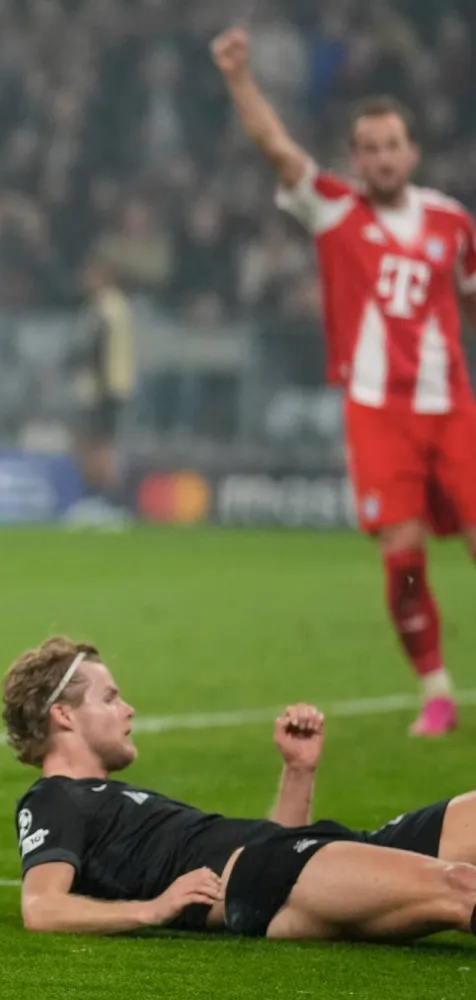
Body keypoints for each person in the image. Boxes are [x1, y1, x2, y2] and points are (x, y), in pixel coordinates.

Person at [215, 27, 476, 737]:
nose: (384, 157)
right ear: (356, 157)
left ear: (412, 152)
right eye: (372, 148)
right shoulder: (334, 207)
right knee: (405, 554)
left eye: (395, 145)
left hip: (452, 406)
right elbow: (276, 147)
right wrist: (240, 78)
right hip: (376, 411)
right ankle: (437, 691)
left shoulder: (453, 223)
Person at [4, 636, 476, 941]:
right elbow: (42, 907)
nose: (128, 709)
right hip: (265, 874)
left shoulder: (112, 799)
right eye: (109, 698)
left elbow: (287, 858)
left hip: (289, 861)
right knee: (460, 887)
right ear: (63, 716)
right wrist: (153, 909)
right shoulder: (53, 797)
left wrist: (298, 770)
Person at [64, 256, 135, 528]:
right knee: (95, 446)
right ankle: (101, 502)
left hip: (105, 388)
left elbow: (97, 349)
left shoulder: (107, 307)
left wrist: (73, 366)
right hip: (110, 386)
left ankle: (108, 504)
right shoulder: (112, 306)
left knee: (99, 448)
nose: (86, 280)